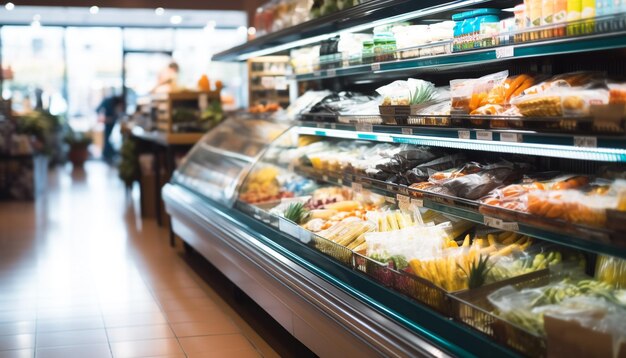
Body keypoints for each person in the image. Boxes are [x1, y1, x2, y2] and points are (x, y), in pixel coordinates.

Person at [97, 95, 124, 163]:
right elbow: (98, 110)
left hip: (111, 122)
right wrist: (104, 118)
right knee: (107, 139)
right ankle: (108, 155)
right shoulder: (108, 102)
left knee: (109, 139)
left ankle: (109, 155)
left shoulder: (110, 102)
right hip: (109, 122)